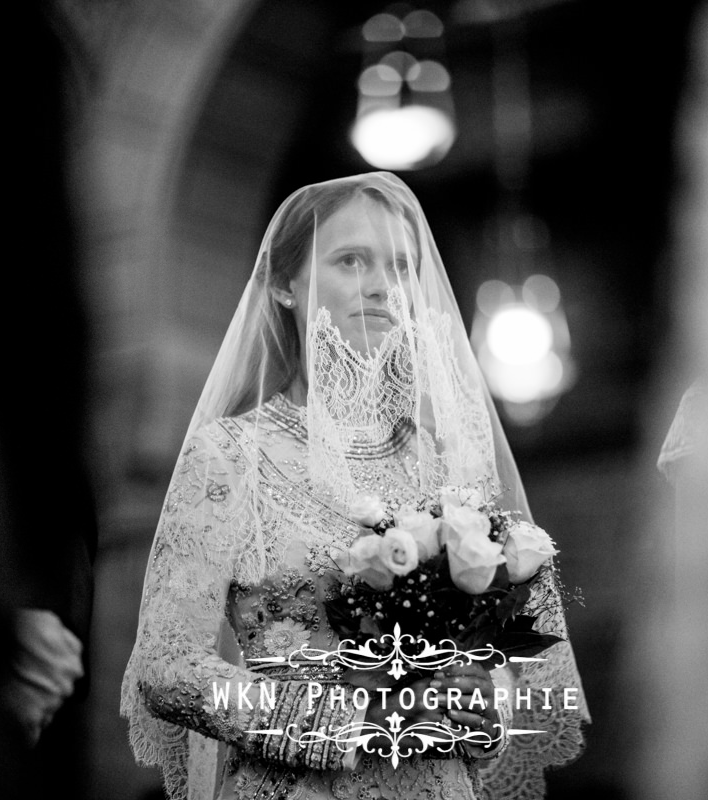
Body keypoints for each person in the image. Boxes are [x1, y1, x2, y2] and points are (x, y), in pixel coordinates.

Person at [121, 172, 588, 800]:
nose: (379, 286)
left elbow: (493, 673)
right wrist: (354, 724)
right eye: (350, 261)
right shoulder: (231, 456)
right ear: (285, 285)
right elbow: (166, 667)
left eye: (399, 266)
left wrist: (481, 710)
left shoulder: (444, 464)